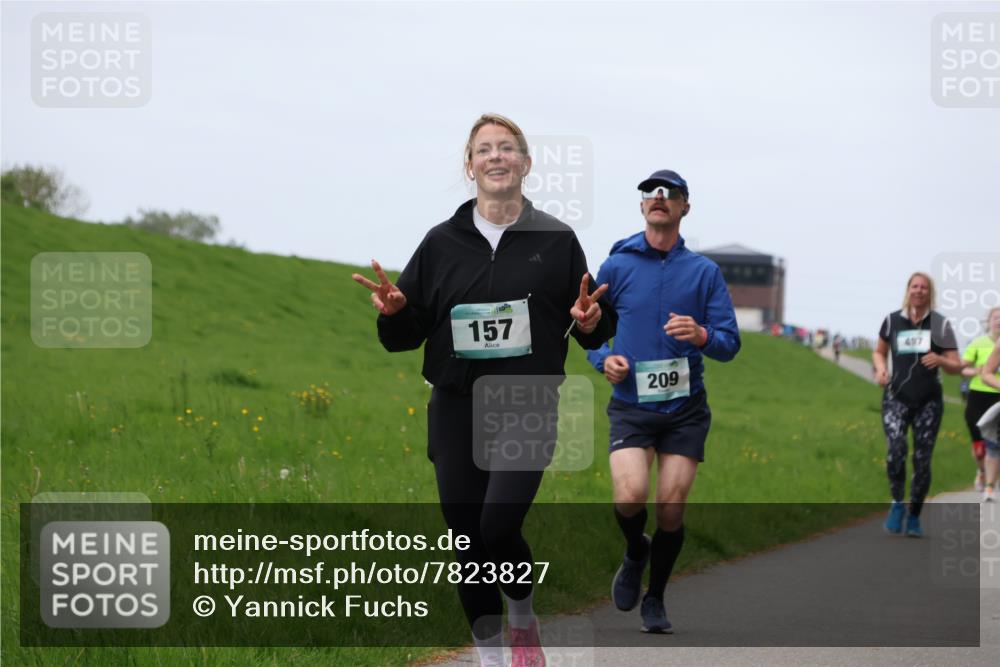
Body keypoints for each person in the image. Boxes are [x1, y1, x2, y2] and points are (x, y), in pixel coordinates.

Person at [352, 113, 615, 667]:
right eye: (484, 149)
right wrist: (397, 312)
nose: (496, 157)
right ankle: (491, 658)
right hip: (456, 405)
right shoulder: (441, 243)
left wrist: (592, 320)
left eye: (507, 148)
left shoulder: (556, 240)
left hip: (527, 403)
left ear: (525, 162)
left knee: (498, 526)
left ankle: (522, 615)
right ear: (469, 165)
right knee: (466, 542)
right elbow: (405, 333)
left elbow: (589, 313)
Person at [587, 169, 740, 633]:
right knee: (630, 495)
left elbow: (729, 342)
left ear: (684, 207)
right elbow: (589, 327)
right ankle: (636, 550)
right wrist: (603, 359)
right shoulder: (616, 265)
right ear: (641, 206)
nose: (659, 197)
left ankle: (655, 598)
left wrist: (701, 334)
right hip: (632, 404)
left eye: (670, 193)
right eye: (650, 192)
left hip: (684, 409)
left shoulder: (704, 272)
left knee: (671, 506)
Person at [872, 272, 961, 537]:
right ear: (908, 289)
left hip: (928, 402)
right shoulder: (892, 320)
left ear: (929, 292)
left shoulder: (940, 324)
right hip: (896, 397)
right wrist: (879, 370)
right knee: (896, 449)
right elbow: (879, 351)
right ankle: (897, 502)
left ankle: (914, 516)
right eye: (915, 286)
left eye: (924, 287)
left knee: (922, 461)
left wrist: (941, 361)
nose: (919, 291)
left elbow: (956, 365)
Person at [960, 308, 1000, 500]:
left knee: (994, 442)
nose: (999, 321)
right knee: (980, 447)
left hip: (998, 397)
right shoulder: (978, 343)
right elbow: (963, 368)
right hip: (979, 395)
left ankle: (991, 483)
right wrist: (977, 371)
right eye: (996, 318)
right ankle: (982, 472)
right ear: (989, 321)